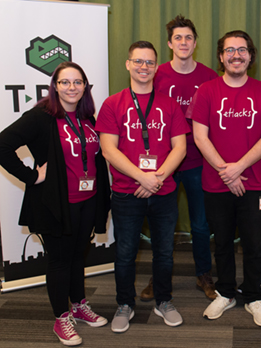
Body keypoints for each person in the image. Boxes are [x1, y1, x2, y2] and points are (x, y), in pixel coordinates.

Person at [0, 62, 110, 346]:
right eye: (65, 82)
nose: (71, 87)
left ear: (85, 86)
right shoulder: (41, 117)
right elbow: (3, 144)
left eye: (77, 82)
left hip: (88, 200)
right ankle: (61, 318)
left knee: (77, 257)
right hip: (58, 203)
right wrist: (32, 175)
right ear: (55, 86)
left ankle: (78, 305)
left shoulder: (88, 118)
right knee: (60, 260)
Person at [187, 30, 261, 327]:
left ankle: (254, 296)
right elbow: (200, 137)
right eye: (230, 50)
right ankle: (225, 292)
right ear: (220, 56)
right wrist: (227, 174)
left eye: (242, 50)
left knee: (255, 244)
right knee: (223, 242)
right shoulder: (206, 90)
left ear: (250, 56)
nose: (236, 55)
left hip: (255, 184)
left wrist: (237, 167)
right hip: (216, 183)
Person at [95, 41, 189, 331]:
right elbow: (109, 150)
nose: (143, 67)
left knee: (164, 251)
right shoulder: (113, 103)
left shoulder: (169, 104)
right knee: (125, 252)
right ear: (128, 64)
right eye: (138, 61)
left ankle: (164, 301)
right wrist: (142, 177)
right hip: (126, 193)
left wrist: (156, 178)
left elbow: (180, 148)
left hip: (163, 191)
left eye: (149, 62)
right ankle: (125, 304)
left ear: (156, 67)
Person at [140, 15, 218, 302]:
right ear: (170, 43)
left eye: (188, 38)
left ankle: (204, 275)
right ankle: (158, 277)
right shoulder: (155, 74)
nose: (183, 42)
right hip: (165, 164)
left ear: (195, 43)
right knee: (163, 224)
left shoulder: (209, 77)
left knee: (200, 224)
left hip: (198, 162)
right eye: (178, 38)